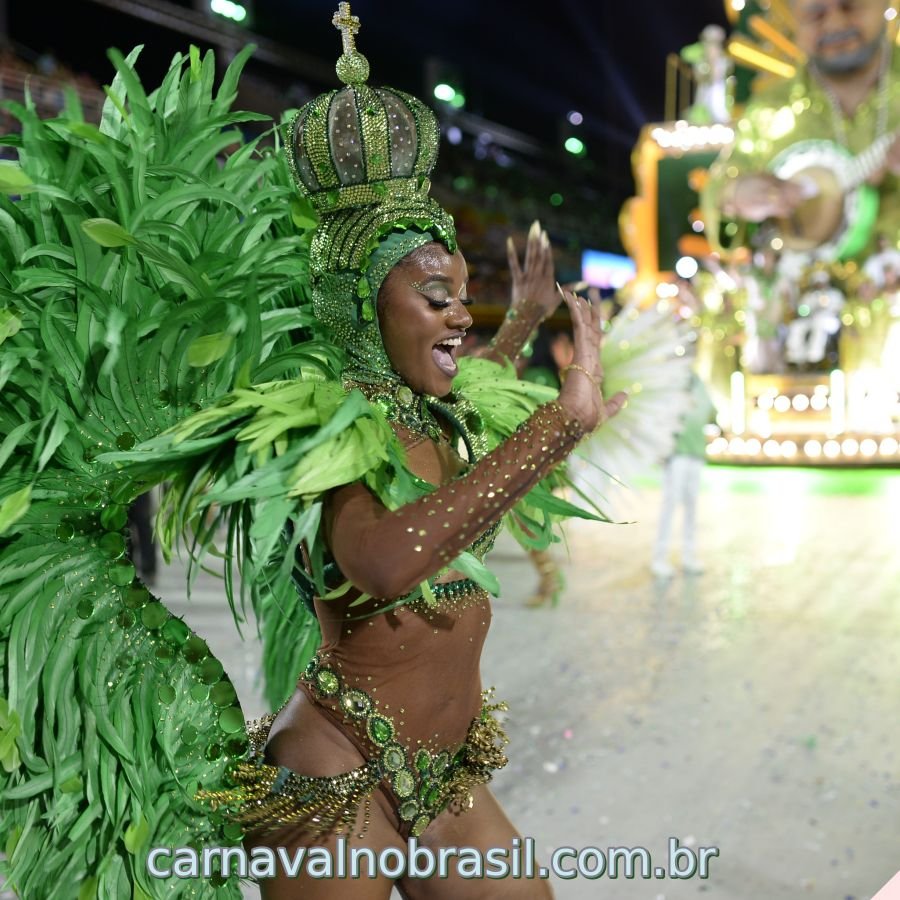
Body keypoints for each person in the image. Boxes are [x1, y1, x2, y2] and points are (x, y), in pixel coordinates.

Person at [0, 6, 626, 899]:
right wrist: (558, 427)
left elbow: (473, 396)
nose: (461, 313)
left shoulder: (427, 415)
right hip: (336, 784)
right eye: (438, 295)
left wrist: (522, 324)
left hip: (442, 775)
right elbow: (381, 561)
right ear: (364, 307)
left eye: (464, 294)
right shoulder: (318, 426)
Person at [703, 0, 900, 262]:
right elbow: (720, 189)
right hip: (806, 295)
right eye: (815, 14)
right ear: (794, 16)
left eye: (851, 6)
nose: (835, 23)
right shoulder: (768, 111)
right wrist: (736, 195)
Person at [651, 370, 715, 579]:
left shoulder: (698, 381)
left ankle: (689, 555)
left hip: (695, 453)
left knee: (691, 506)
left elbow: (709, 410)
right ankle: (660, 558)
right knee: (670, 505)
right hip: (676, 454)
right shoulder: (672, 381)